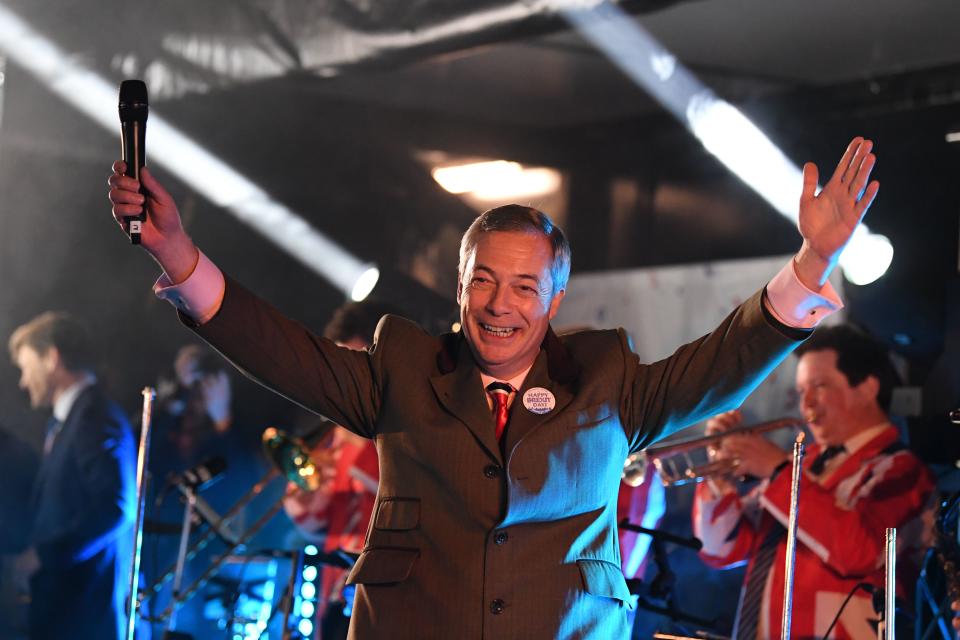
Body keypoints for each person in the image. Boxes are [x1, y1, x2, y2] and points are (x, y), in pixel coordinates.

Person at [108, 137, 878, 638]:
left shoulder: (607, 380)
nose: (500, 304)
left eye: (522, 286)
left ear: (555, 299)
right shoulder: (402, 371)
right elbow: (280, 351)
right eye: (484, 281)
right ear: (460, 285)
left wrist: (811, 262)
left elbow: (724, 358)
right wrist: (177, 254)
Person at [692, 325, 935, 639]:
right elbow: (718, 550)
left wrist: (780, 472)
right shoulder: (800, 466)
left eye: (819, 386)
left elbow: (860, 550)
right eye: (802, 389)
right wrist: (718, 476)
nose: (806, 404)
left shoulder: (903, 469)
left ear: (867, 388)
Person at [8, 311, 137, 640]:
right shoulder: (75, 419)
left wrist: (42, 555)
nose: (24, 381)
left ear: (51, 358)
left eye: (26, 367)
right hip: (68, 613)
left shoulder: (95, 416)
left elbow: (116, 507)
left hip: (83, 617)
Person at [283, 300, 392, 640]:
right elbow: (311, 526)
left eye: (354, 364)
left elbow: (399, 488)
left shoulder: (397, 424)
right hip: (338, 586)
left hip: (387, 585)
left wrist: (352, 454)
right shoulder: (332, 435)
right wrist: (310, 491)